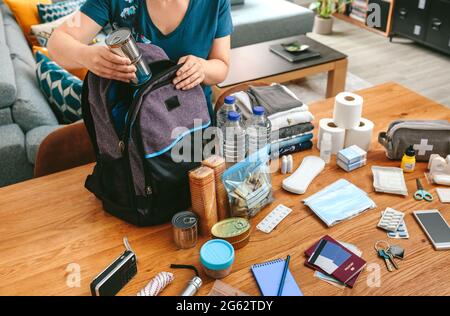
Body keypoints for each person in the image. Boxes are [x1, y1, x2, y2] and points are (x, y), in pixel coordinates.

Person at [48, 0, 233, 117]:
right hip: (134, 129)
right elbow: (56, 43)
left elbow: (221, 66)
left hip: (193, 123)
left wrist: (202, 68)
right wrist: (88, 56)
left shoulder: (216, 3)